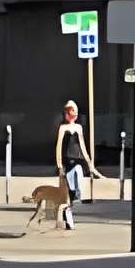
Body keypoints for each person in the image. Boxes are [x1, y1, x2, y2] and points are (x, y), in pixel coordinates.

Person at [54, 99, 96, 231]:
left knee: (78, 180)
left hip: (77, 160)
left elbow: (82, 145)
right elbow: (59, 146)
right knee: (70, 188)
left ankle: (74, 199)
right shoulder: (63, 128)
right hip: (68, 161)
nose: (74, 113)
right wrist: (59, 164)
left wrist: (89, 163)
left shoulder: (79, 128)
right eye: (72, 111)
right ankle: (68, 211)